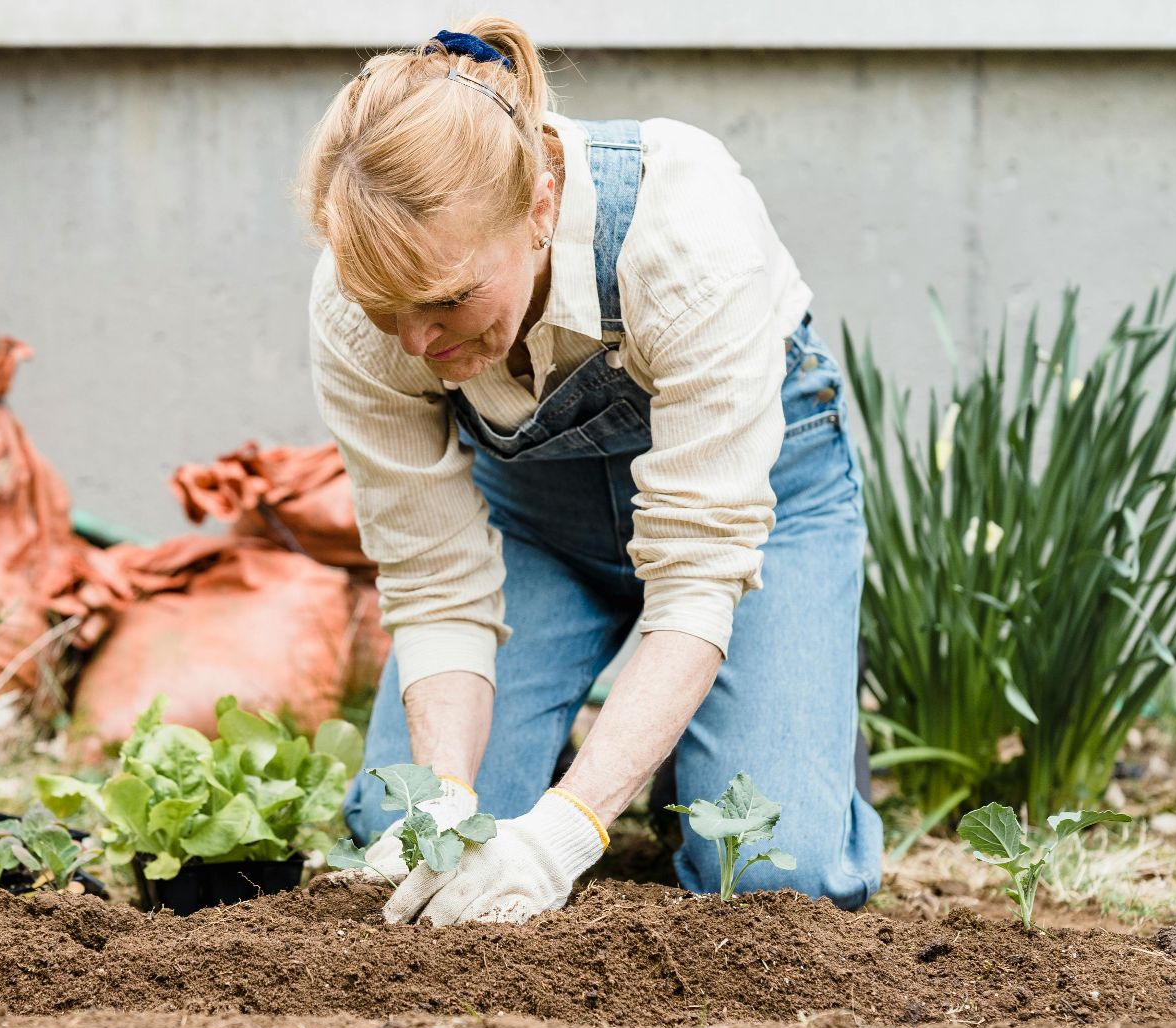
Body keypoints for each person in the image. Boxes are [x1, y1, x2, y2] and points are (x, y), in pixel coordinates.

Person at [298, 17, 880, 926]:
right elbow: (436, 586)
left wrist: (561, 837)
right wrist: (447, 804)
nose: (415, 342)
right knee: (404, 833)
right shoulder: (356, 310)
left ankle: (758, 725)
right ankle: (642, 740)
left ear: (540, 206)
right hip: (539, 529)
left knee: (774, 873)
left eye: (447, 299)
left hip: (759, 517)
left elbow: (696, 577)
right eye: (387, 307)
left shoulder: (682, 236)